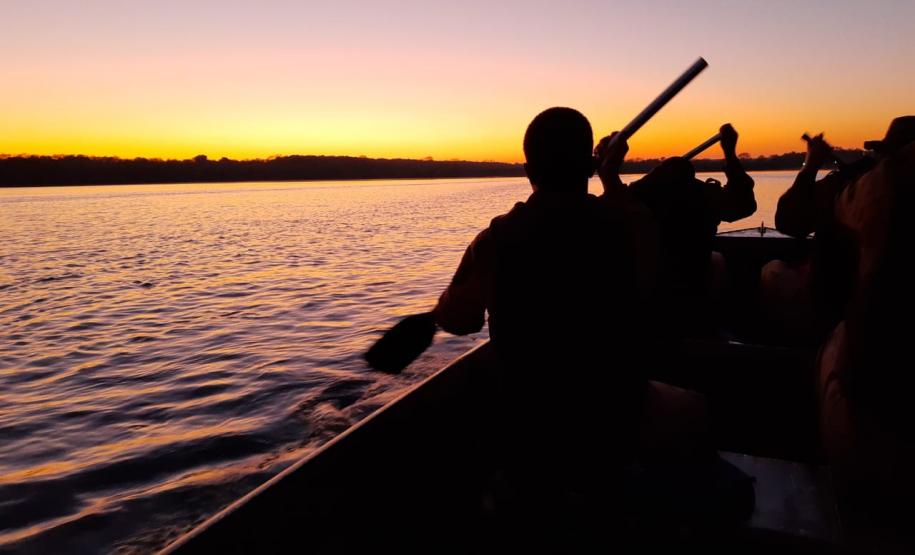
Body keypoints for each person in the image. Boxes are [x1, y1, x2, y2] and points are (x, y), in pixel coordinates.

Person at [764, 116, 915, 339]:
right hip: (888, 313)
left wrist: (811, 164)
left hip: (837, 306)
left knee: (771, 271)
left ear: (885, 154)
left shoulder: (858, 186)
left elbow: (788, 221)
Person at [624, 124, 756, 333]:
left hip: (647, 304)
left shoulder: (634, 200)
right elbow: (743, 204)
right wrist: (729, 153)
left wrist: (609, 169)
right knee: (718, 260)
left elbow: (615, 197)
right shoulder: (702, 197)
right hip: (695, 297)